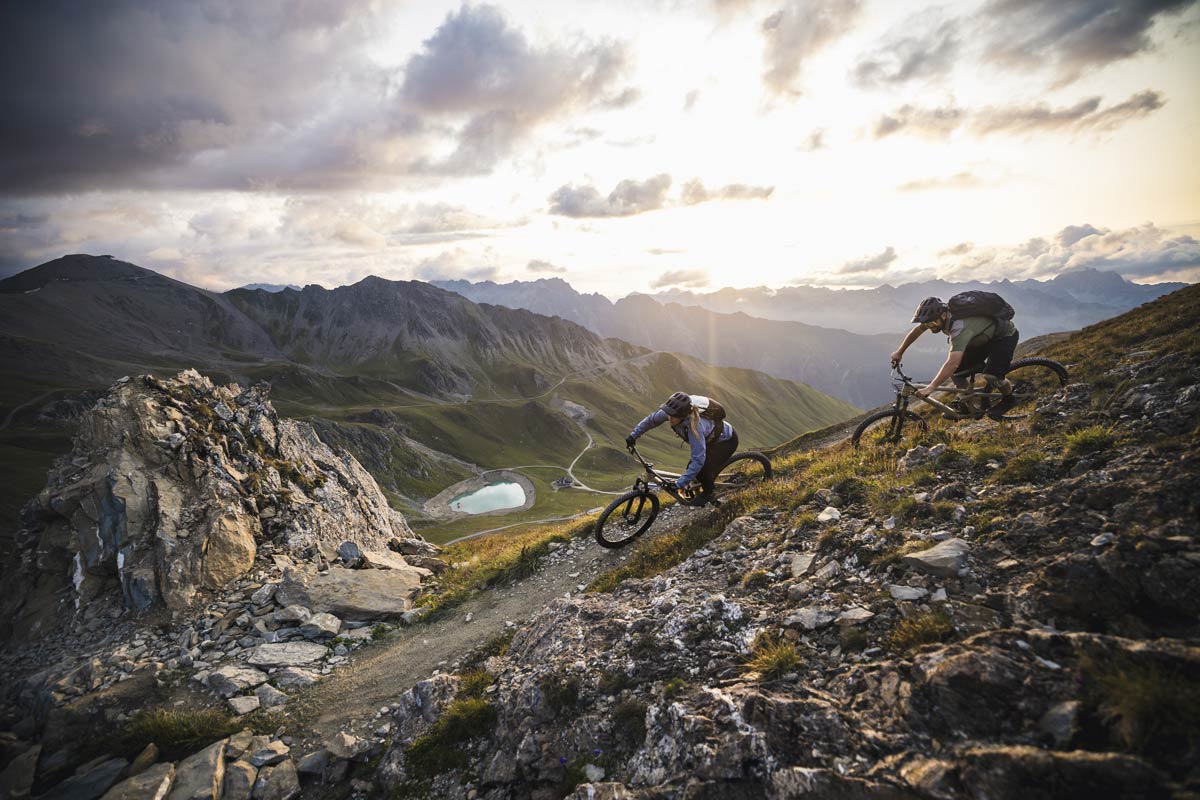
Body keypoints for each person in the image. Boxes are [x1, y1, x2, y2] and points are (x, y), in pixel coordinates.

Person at [890, 296, 1019, 418]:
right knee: (957, 373)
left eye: (932, 323)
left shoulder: (959, 328)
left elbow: (952, 363)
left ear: (944, 315)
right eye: (928, 324)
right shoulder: (935, 319)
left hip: (1003, 336)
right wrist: (900, 352)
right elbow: (917, 331)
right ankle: (968, 405)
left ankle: (1009, 399)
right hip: (980, 338)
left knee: (992, 375)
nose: (930, 327)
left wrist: (931, 387)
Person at [625, 392, 737, 504]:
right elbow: (651, 420)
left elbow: (698, 460)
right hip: (709, 440)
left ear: (683, 416)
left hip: (726, 442)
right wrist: (633, 436)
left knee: (702, 470)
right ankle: (698, 488)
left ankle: (708, 493)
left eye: (673, 417)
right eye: (669, 414)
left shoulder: (695, 427)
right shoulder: (671, 412)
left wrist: (679, 484)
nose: (670, 418)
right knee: (692, 468)